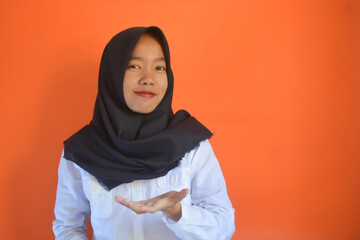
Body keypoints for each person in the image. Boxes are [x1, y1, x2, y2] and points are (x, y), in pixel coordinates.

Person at [53, 26, 235, 240]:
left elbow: (224, 226)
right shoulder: (82, 151)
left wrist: (177, 213)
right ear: (112, 74)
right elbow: (68, 227)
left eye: (160, 68)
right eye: (134, 66)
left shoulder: (191, 145)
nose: (148, 78)